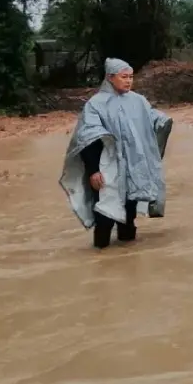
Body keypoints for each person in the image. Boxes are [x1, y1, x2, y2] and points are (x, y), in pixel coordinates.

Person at [59, 58, 173, 250]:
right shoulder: (95, 105)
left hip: (132, 168)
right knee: (104, 214)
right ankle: (100, 257)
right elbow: (88, 140)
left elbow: (148, 121)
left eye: (131, 77)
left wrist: (163, 122)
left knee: (129, 215)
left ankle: (128, 260)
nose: (129, 81)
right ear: (110, 78)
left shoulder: (138, 101)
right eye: (124, 77)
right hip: (106, 169)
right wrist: (93, 171)